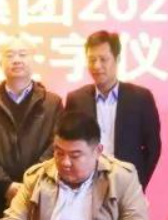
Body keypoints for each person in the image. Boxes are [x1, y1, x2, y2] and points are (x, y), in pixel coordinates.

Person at [0, 111, 150, 220]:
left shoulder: (121, 177)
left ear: (97, 151)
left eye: (75, 156)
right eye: (59, 153)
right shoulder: (36, 177)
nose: (65, 163)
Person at [0, 35, 64, 220]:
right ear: (0, 63)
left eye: (23, 54)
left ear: (33, 60)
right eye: (10, 55)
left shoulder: (52, 103)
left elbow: (55, 146)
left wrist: (30, 183)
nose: (17, 60)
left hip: (41, 193)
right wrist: (6, 185)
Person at [64, 30, 162, 190]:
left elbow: (153, 147)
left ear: (117, 59)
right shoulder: (76, 100)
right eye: (92, 60)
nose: (97, 66)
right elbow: (68, 145)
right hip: (85, 187)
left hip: (127, 186)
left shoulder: (140, 98)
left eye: (103, 59)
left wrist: (138, 183)